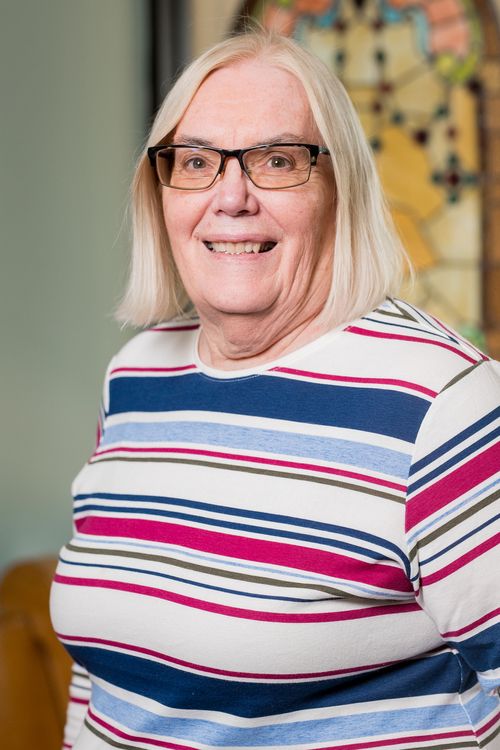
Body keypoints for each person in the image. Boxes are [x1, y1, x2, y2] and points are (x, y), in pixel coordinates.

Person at [50, 28, 500, 750]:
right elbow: (101, 677)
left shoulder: (442, 403)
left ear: (339, 189)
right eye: (196, 162)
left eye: (278, 161)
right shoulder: (135, 376)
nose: (231, 198)